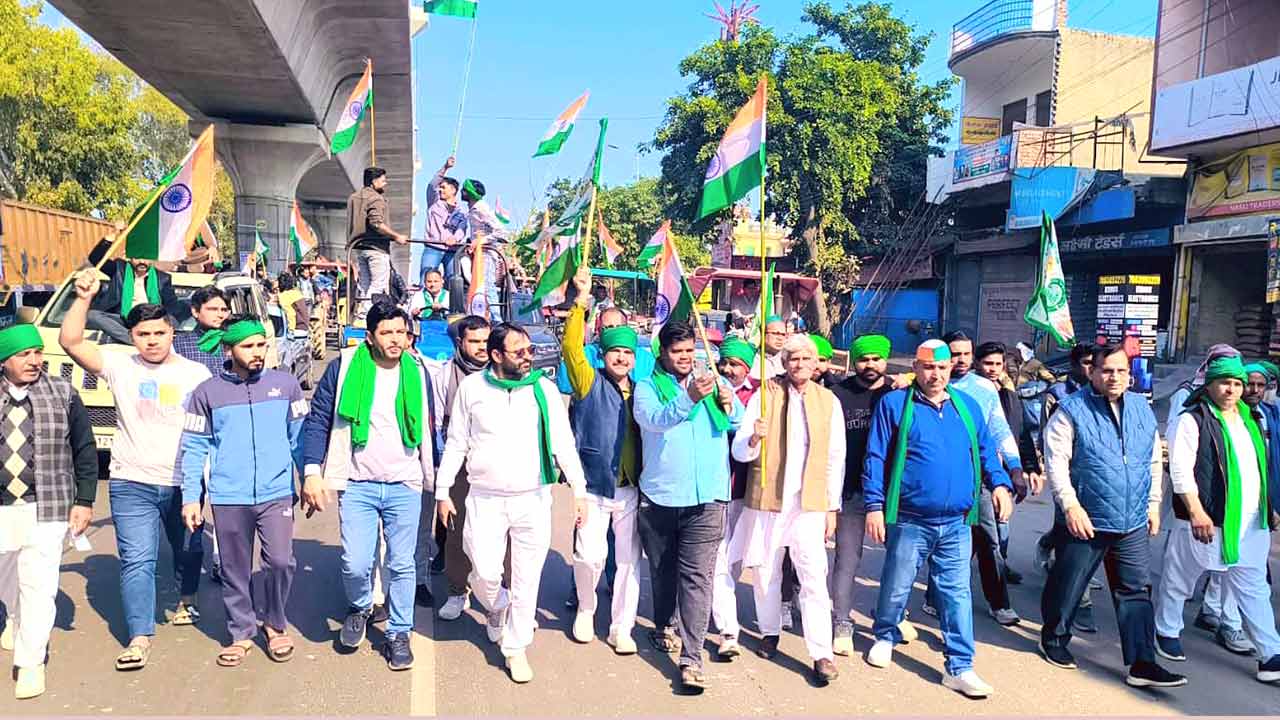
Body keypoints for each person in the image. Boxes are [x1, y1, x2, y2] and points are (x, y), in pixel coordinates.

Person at [59, 268, 212, 671]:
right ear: (132, 336)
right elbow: (70, 341)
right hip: (131, 482)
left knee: (189, 548)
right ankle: (139, 637)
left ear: (172, 332)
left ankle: (188, 597)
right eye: (143, 334)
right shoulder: (119, 366)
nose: (152, 340)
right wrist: (84, 297)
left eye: (159, 333)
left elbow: (212, 429)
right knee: (137, 560)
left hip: (183, 483)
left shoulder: (196, 374)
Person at [435, 323, 587, 684]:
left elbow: (563, 442)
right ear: (496, 355)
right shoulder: (473, 389)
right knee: (485, 571)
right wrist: (443, 491)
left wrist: (579, 491)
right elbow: (456, 442)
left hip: (532, 499)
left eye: (530, 350)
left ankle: (516, 648)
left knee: (526, 579)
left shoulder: (543, 390)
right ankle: (498, 605)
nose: (528, 357)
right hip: (484, 498)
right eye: (519, 351)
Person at [862, 339, 1012, 698]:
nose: (936, 374)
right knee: (897, 583)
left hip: (957, 522)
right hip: (910, 518)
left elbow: (985, 449)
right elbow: (875, 456)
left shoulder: (967, 406)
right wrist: (874, 506)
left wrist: (1000, 484)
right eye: (928, 367)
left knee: (956, 593)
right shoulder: (895, 404)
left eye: (942, 368)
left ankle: (960, 666)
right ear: (915, 367)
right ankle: (885, 634)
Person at [1037, 343, 1185, 688]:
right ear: (1092, 372)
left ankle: (1142, 663)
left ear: (1130, 375)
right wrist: (1070, 506)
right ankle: (1054, 639)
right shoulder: (1071, 410)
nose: (1114, 377)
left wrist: (1152, 504)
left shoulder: (1141, 407)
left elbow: (1152, 458)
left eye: (1121, 371)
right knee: (1069, 583)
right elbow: (1056, 463)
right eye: (1106, 370)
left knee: (1136, 590)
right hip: (1087, 516)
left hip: (1132, 518)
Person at [301, 302, 436, 671]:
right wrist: (312, 471)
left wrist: (437, 478)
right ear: (370, 336)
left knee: (402, 563)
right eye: (387, 332)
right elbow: (319, 419)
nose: (396, 340)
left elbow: (431, 426)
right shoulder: (345, 366)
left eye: (401, 333)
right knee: (355, 563)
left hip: (405, 483)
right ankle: (361, 607)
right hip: (357, 483)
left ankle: (399, 632)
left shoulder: (419, 370)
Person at [178, 318, 307, 668]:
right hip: (228, 495)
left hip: (276, 491)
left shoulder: (286, 385)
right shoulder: (206, 393)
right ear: (228, 349)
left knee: (280, 561)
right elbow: (194, 448)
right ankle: (241, 632)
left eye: (261, 345)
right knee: (234, 568)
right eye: (248, 346)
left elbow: (299, 440)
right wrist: (191, 497)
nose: (257, 352)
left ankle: (275, 623)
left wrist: (309, 478)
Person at [1153, 356, 1280, 683]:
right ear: (1209, 384)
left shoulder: (1251, 419)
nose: (1231, 389)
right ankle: (1166, 630)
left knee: (1255, 588)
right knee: (1180, 578)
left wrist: (1268, 506)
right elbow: (1181, 470)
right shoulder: (1192, 419)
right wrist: (1196, 511)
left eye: (1237, 384)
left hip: (1250, 522)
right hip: (1206, 517)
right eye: (1225, 382)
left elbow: (1257, 469)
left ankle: (1270, 655)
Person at [633, 320, 744, 692]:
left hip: (709, 497)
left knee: (697, 578)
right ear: (662, 353)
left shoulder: (714, 380)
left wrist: (730, 404)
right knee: (663, 571)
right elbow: (653, 421)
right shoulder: (648, 387)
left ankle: (691, 659)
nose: (684, 358)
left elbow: (737, 420)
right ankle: (664, 623)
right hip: (660, 497)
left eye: (689, 351)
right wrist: (690, 398)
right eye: (676, 351)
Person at [730, 334, 845, 685]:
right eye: (793, 358)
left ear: (816, 363)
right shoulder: (765, 395)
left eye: (806, 358)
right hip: (769, 500)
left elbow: (836, 457)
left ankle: (821, 653)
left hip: (809, 504)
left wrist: (832, 507)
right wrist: (754, 437)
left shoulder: (828, 401)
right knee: (765, 571)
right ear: (784, 362)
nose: (800, 364)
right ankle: (769, 631)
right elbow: (739, 451)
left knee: (813, 576)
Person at [0, 325, 97, 699]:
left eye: (38, 352)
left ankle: (31, 662)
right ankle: (14, 617)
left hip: (49, 505)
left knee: (39, 585)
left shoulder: (63, 393)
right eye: (23, 354)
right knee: (7, 574)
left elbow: (84, 449)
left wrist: (84, 500)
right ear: (4, 360)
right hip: (4, 507)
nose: (34, 360)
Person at [561, 270, 643, 654]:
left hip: (631, 490)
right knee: (588, 556)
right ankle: (586, 608)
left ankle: (621, 627)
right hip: (593, 487)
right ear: (604, 354)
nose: (621, 358)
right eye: (615, 352)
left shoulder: (642, 392)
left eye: (628, 353)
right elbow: (571, 348)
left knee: (627, 562)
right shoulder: (588, 381)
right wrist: (580, 301)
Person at [827, 334, 903, 657]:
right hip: (850, 493)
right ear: (854, 361)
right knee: (847, 560)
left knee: (900, 562)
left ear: (885, 360)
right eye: (863, 359)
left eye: (875, 358)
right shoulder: (838, 395)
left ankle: (894, 617)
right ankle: (842, 622)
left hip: (893, 494)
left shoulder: (900, 395)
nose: (869, 364)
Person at [433, 315, 499, 621]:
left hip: (495, 466)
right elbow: (437, 423)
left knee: (500, 534)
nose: (482, 347)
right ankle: (457, 591)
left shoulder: (503, 372)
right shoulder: (444, 375)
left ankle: (504, 597)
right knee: (456, 529)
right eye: (475, 341)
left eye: (486, 341)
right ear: (460, 343)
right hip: (458, 464)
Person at [709, 337, 757, 660]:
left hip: (748, 491)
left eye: (735, 364)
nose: (727, 369)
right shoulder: (708, 389)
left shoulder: (761, 396)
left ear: (747, 368)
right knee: (718, 561)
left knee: (736, 562)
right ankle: (728, 630)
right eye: (723, 362)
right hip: (714, 490)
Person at [347, 166, 409, 323]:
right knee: (378, 284)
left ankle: (360, 316)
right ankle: (366, 316)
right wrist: (396, 236)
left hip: (359, 247)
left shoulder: (353, 197)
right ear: (374, 181)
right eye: (383, 180)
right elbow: (376, 223)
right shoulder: (376, 199)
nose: (385, 183)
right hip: (376, 247)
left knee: (365, 284)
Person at [555, 305, 655, 395]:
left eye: (618, 328)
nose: (613, 333)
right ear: (598, 331)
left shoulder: (646, 359)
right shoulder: (587, 354)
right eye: (607, 328)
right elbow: (564, 385)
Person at [88, 256, 179, 344]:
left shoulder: (163, 278)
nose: (142, 262)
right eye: (137, 258)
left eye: (146, 258)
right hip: (123, 319)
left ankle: (123, 338)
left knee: (172, 320)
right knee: (92, 315)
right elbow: (95, 257)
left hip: (151, 320)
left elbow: (172, 306)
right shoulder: (118, 269)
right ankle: (133, 340)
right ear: (130, 258)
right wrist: (110, 243)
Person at [460, 179, 508, 322]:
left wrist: (480, 241)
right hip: (477, 253)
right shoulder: (473, 209)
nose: (462, 192)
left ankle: (496, 319)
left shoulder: (481, 208)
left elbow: (501, 232)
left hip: (486, 252)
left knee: (487, 285)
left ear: (469, 193)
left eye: (464, 190)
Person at [172, 286, 232, 376]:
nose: (220, 315)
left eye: (224, 310)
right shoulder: (181, 344)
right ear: (195, 312)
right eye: (213, 309)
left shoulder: (232, 342)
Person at [750, 316, 787, 381]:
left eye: (783, 334)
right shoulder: (751, 360)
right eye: (775, 333)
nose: (780, 338)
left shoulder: (788, 360)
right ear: (762, 334)